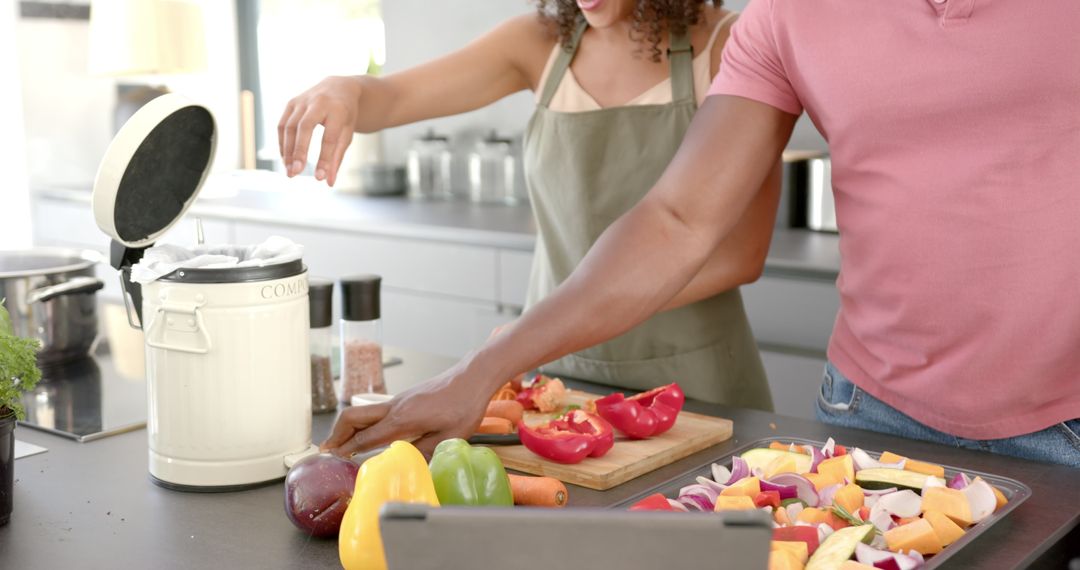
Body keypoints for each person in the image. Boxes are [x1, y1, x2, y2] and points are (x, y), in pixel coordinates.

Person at [314, 0, 1080, 466]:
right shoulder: (788, 17)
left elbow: (732, 252)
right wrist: (479, 370)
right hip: (870, 412)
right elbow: (677, 220)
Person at [281, 1, 779, 429]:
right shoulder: (539, 44)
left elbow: (742, 255)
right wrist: (346, 90)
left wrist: (564, 317)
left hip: (693, 383)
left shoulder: (727, 46)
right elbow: (394, 97)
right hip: (556, 378)